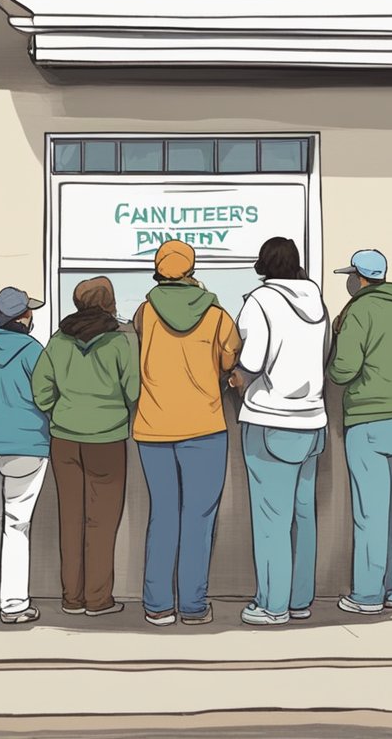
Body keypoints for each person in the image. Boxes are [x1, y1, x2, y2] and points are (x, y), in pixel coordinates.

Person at [131, 242, 241, 627]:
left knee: (162, 515)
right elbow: (231, 359)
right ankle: (193, 606)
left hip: (153, 428)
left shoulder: (145, 312)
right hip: (204, 427)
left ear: (158, 270)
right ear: (192, 269)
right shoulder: (217, 316)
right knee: (199, 518)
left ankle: (158, 605)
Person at [232, 238, 327, 626]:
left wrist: (238, 379)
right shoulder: (317, 299)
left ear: (263, 264)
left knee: (271, 518)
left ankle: (272, 606)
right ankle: (300, 599)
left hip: (271, 419)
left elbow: (251, 360)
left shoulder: (260, 301)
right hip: (312, 420)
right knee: (303, 515)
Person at [33, 276, 139, 619]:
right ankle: (97, 599)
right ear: (109, 302)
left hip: (64, 438)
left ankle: (71, 597)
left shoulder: (58, 341)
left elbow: (41, 390)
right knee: (102, 521)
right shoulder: (121, 342)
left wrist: (61, 410)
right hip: (107, 439)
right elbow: (133, 390)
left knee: (70, 518)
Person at [329, 250, 392, 615]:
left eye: (351, 276)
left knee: (370, 513)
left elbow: (342, 371)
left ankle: (367, 595)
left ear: (360, 278)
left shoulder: (359, 312)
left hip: (370, 422)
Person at [0, 287, 49, 624]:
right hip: (26, 443)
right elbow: (45, 395)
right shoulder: (34, 351)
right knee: (17, 524)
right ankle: (13, 603)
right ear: (22, 318)